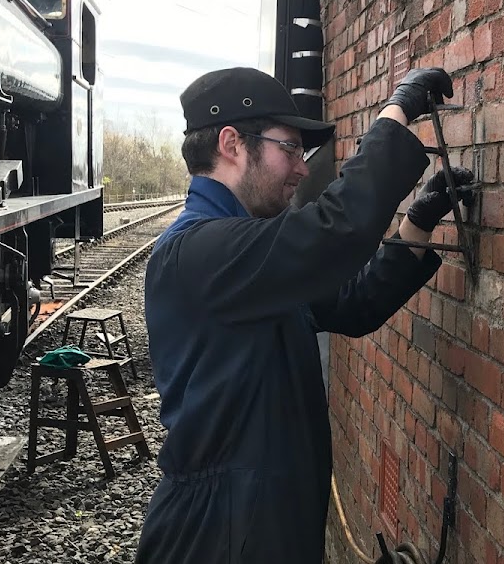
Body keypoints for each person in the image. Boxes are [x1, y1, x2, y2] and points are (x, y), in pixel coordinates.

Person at [135, 66, 476, 563]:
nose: (301, 168)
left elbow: (354, 304)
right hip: (219, 534)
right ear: (232, 144)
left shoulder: (247, 257)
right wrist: (396, 113)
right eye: (290, 148)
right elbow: (335, 228)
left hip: (253, 518)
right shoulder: (197, 252)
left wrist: (417, 226)